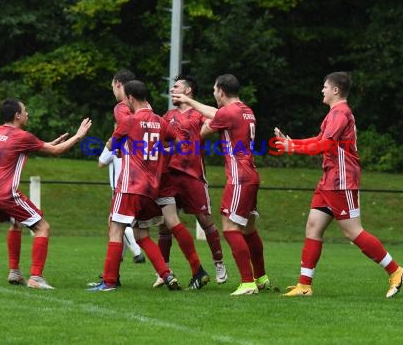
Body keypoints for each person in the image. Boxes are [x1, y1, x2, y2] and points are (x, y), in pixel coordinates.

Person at [274, 71, 403, 298]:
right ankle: (304, 285)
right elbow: (319, 140)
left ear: (335, 90)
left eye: (325, 87)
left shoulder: (341, 113)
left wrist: (292, 148)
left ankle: (396, 271)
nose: (322, 90)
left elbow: (324, 145)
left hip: (342, 180)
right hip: (329, 180)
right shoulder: (334, 114)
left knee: (353, 232)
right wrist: (292, 142)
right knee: (313, 226)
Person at [172, 74, 269, 296]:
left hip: (239, 178)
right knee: (249, 230)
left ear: (221, 92)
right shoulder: (245, 110)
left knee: (230, 228)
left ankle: (247, 283)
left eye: (215, 90)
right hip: (251, 175)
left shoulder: (229, 112)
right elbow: (217, 115)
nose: (214, 94)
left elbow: (204, 131)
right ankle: (261, 278)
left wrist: (189, 108)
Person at [0, 98, 92, 289]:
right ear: (17, 115)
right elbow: (56, 151)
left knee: (16, 223)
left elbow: (19, 148)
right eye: (25, 111)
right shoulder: (21, 136)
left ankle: (14, 272)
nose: (27, 114)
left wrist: (46, 144)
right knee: (43, 228)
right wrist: (79, 136)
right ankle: (36, 278)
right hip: (6, 193)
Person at [89, 80, 180, 292]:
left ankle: (109, 281)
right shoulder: (160, 121)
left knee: (115, 229)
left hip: (130, 185)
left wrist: (122, 148)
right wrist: (162, 151)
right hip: (151, 188)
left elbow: (111, 145)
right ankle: (166, 274)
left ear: (130, 98)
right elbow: (176, 143)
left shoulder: (129, 120)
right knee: (142, 235)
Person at [152, 75, 227, 289]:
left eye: (176, 86)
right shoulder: (169, 115)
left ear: (188, 90)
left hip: (193, 175)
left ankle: (219, 263)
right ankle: (163, 270)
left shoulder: (198, 114)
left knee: (205, 220)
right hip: (170, 175)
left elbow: (217, 119)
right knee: (166, 225)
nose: (172, 90)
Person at [97, 143, 145, 264]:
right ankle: (116, 265)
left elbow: (101, 163)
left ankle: (137, 252)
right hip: (136, 188)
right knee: (120, 225)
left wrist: (109, 148)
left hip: (120, 189)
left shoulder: (115, 143)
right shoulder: (136, 142)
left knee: (117, 224)